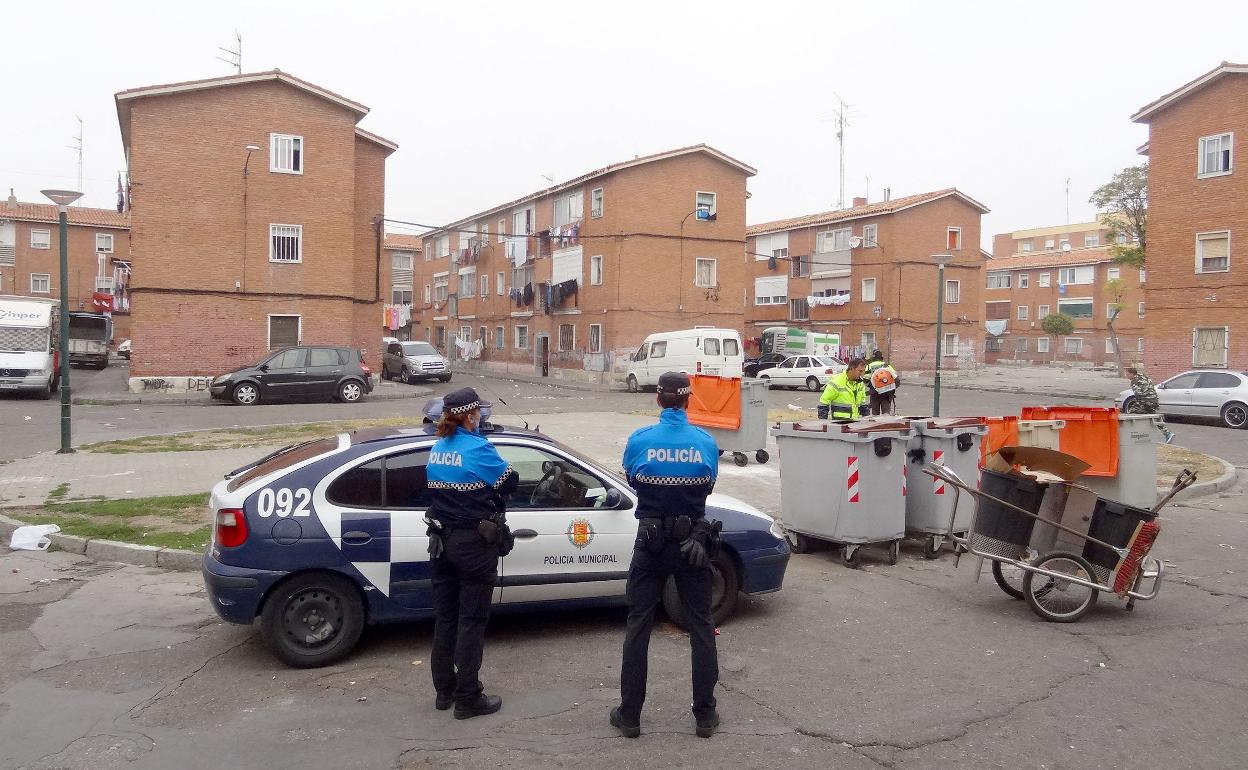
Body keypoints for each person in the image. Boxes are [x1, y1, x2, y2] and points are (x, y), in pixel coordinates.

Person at [611, 371, 723, 739]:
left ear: (658, 399)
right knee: (702, 626)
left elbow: (632, 479)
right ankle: (705, 715)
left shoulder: (640, 440)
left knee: (638, 626)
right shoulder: (705, 442)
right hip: (692, 545)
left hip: (650, 544)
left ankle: (629, 716)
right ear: (688, 400)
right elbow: (707, 487)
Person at [424, 387, 519, 719]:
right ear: (470, 415)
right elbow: (510, 482)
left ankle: (444, 691)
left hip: (440, 543)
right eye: (478, 411)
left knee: (446, 618)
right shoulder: (478, 447)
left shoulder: (438, 448)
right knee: (472, 620)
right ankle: (468, 698)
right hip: (473, 545)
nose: (480, 416)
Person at [1125, 366, 1175, 443]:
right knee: (1152, 415)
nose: (1126, 375)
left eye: (1127, 374)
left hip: (1146, 401)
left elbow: (1138, 394)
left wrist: (1137, 404)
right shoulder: (1144, 376)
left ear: (1132, 374)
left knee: (1131, 412)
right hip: (1154, 401)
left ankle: (1134, 435)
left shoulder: (1134, 381)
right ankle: (1167, 433)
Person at [865, 350, 900, 416]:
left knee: (875, 413)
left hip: (874, 393)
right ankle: (885, 425)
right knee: (886, 413)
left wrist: (873, 387)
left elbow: (865, 380)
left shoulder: (869, 366)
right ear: (881, 357)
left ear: (873, 358)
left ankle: (876, 425)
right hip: (887, 393)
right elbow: (896, 379)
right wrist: (891, 389)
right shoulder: (887, 365)